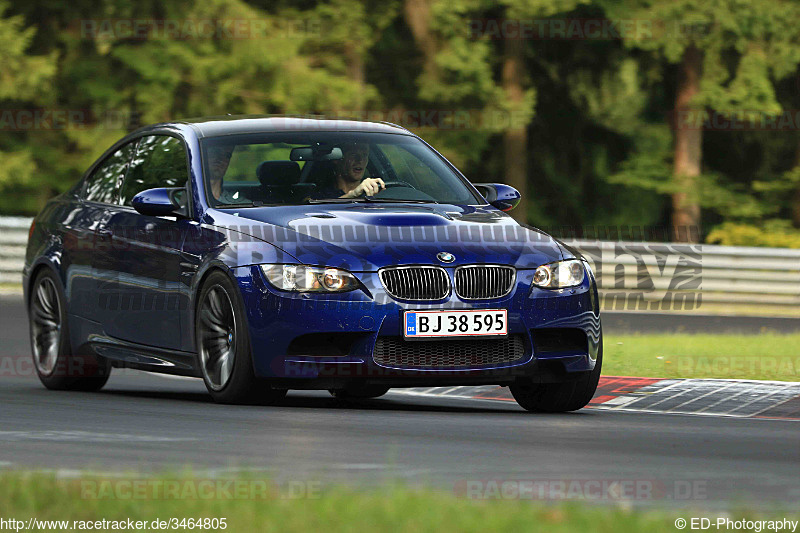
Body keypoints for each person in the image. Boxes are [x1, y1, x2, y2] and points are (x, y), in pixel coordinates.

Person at [313, 142, 385, 199]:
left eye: (365, 155)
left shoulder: (376, 191)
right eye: (353, 155)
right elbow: (313, 210)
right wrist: (352, 194)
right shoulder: (321, 194)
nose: (360, 160)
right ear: (337, 159)